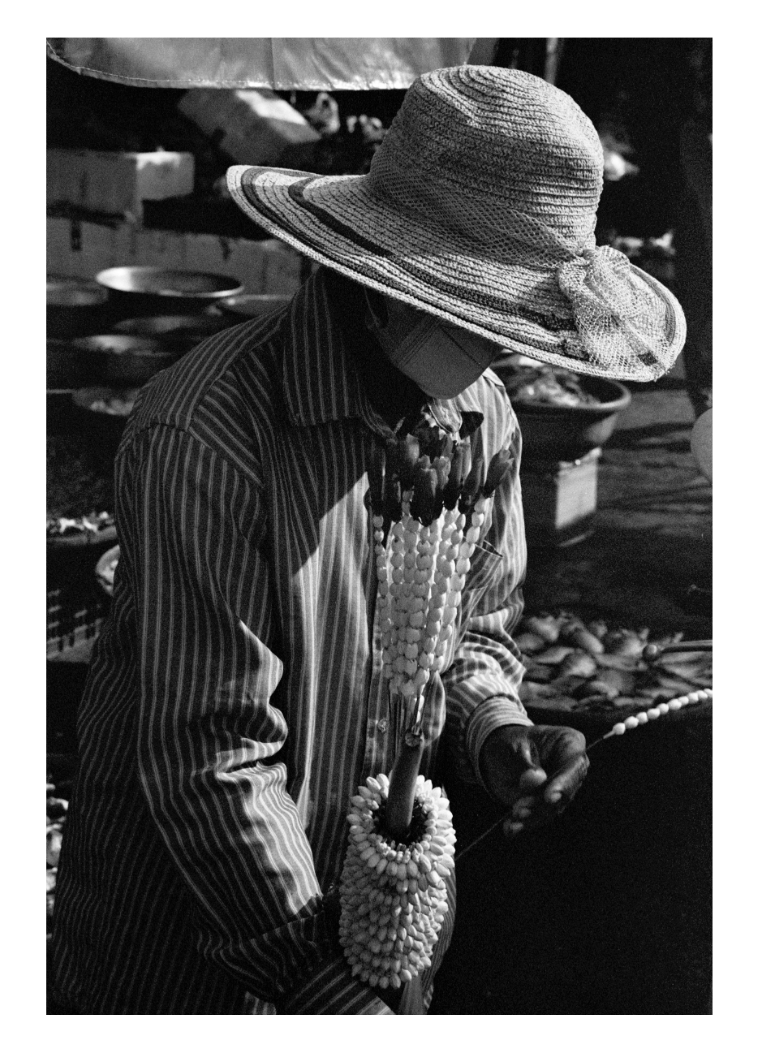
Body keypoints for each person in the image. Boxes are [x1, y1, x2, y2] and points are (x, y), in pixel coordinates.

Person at [49, 65, 685, 1014]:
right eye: (478, 318)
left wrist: (494, 727)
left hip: (376, 924)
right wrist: (325, 989)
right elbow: (212, 755)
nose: (496, 352)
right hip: (188, 963)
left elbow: (474, 630)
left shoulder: (481, 420)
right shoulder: (209, 432)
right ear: (383, 281)